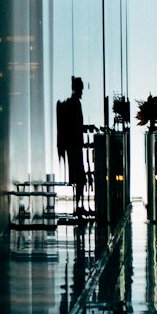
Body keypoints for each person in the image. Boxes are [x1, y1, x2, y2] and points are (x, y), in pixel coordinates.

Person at [57, 76, 89, 218]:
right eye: (81, 88)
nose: (82, 91)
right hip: (75, 146)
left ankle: (78, 205)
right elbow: (75, 126)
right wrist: (85, 128)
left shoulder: (72, 103)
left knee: (78, 177)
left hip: (73, 146)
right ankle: (78, 205)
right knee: (80, 177)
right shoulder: (74, 104)